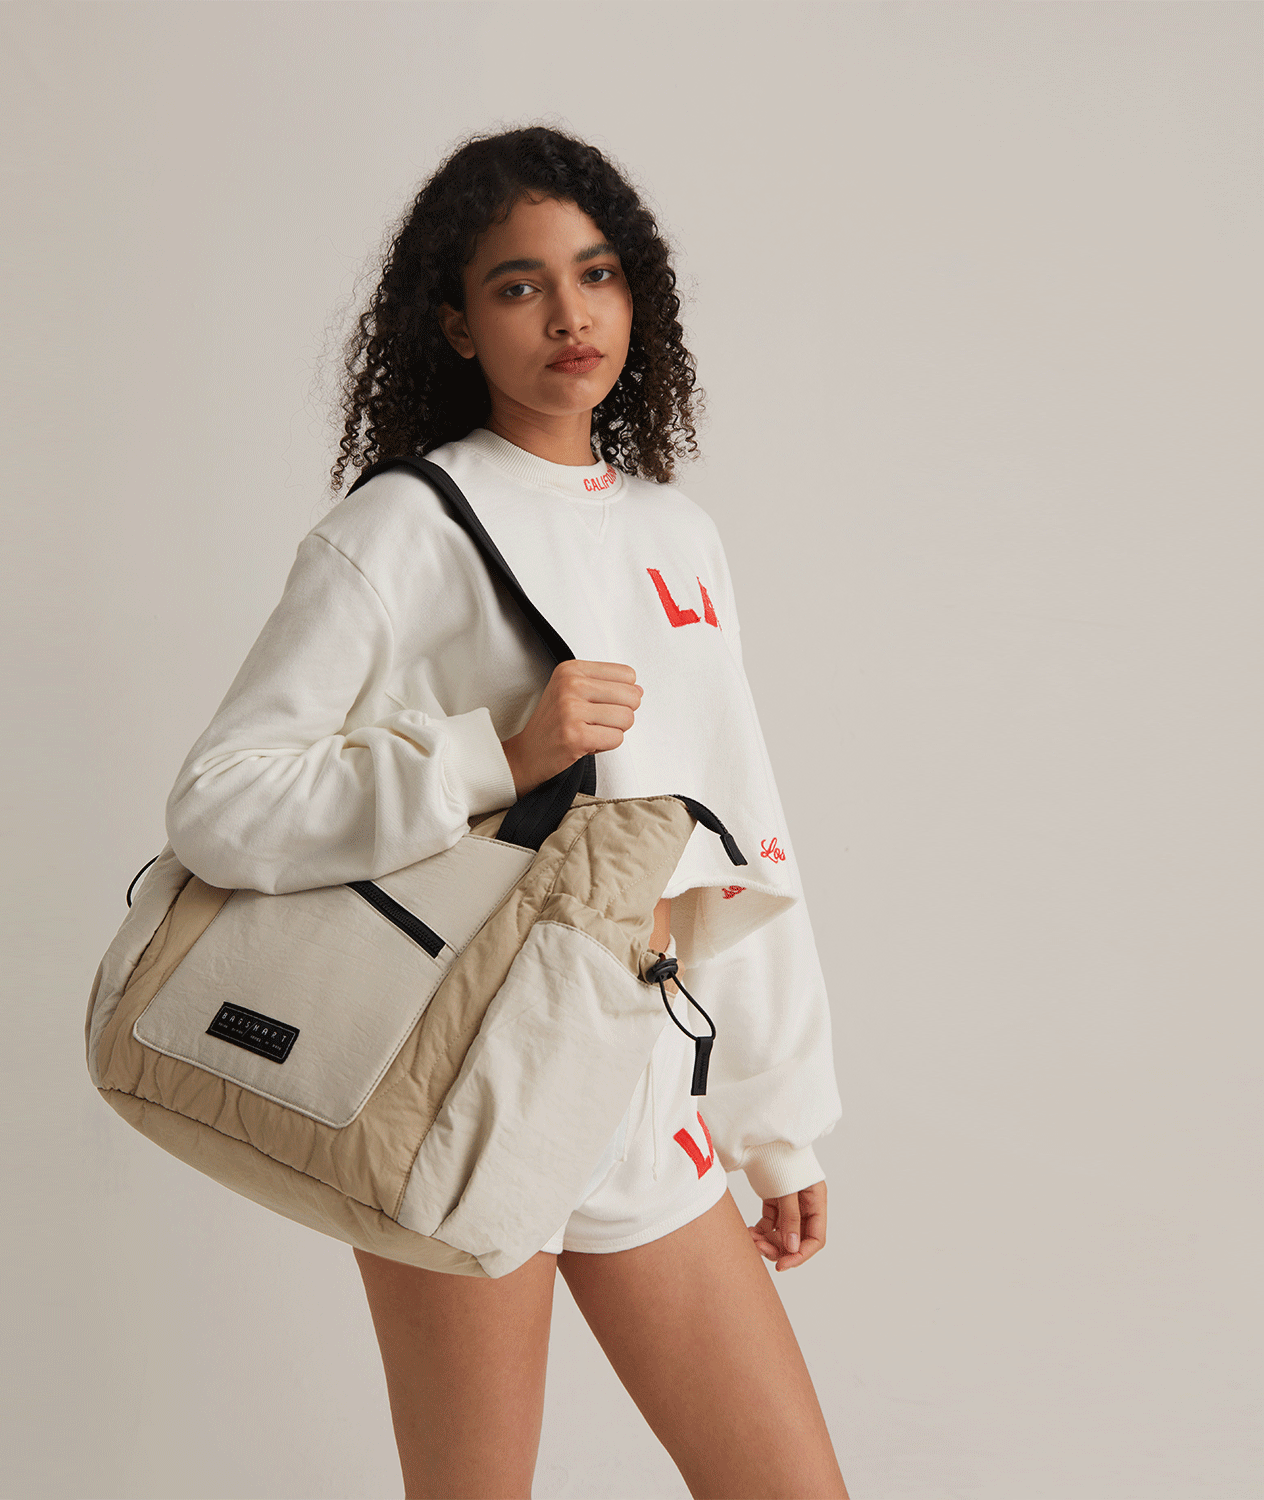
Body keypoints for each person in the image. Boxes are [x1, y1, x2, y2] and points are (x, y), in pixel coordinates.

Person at [165, 126, 848, 1500]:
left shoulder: (676, 535)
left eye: (596, 274)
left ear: (636, 296)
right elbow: (219, 806)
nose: (568, 313)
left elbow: (739, 828)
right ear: (456, 323)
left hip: (644, 1071)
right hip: (455, 1078)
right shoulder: (400, 530)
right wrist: (498, 755)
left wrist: (775, 1119)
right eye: (518, 284)